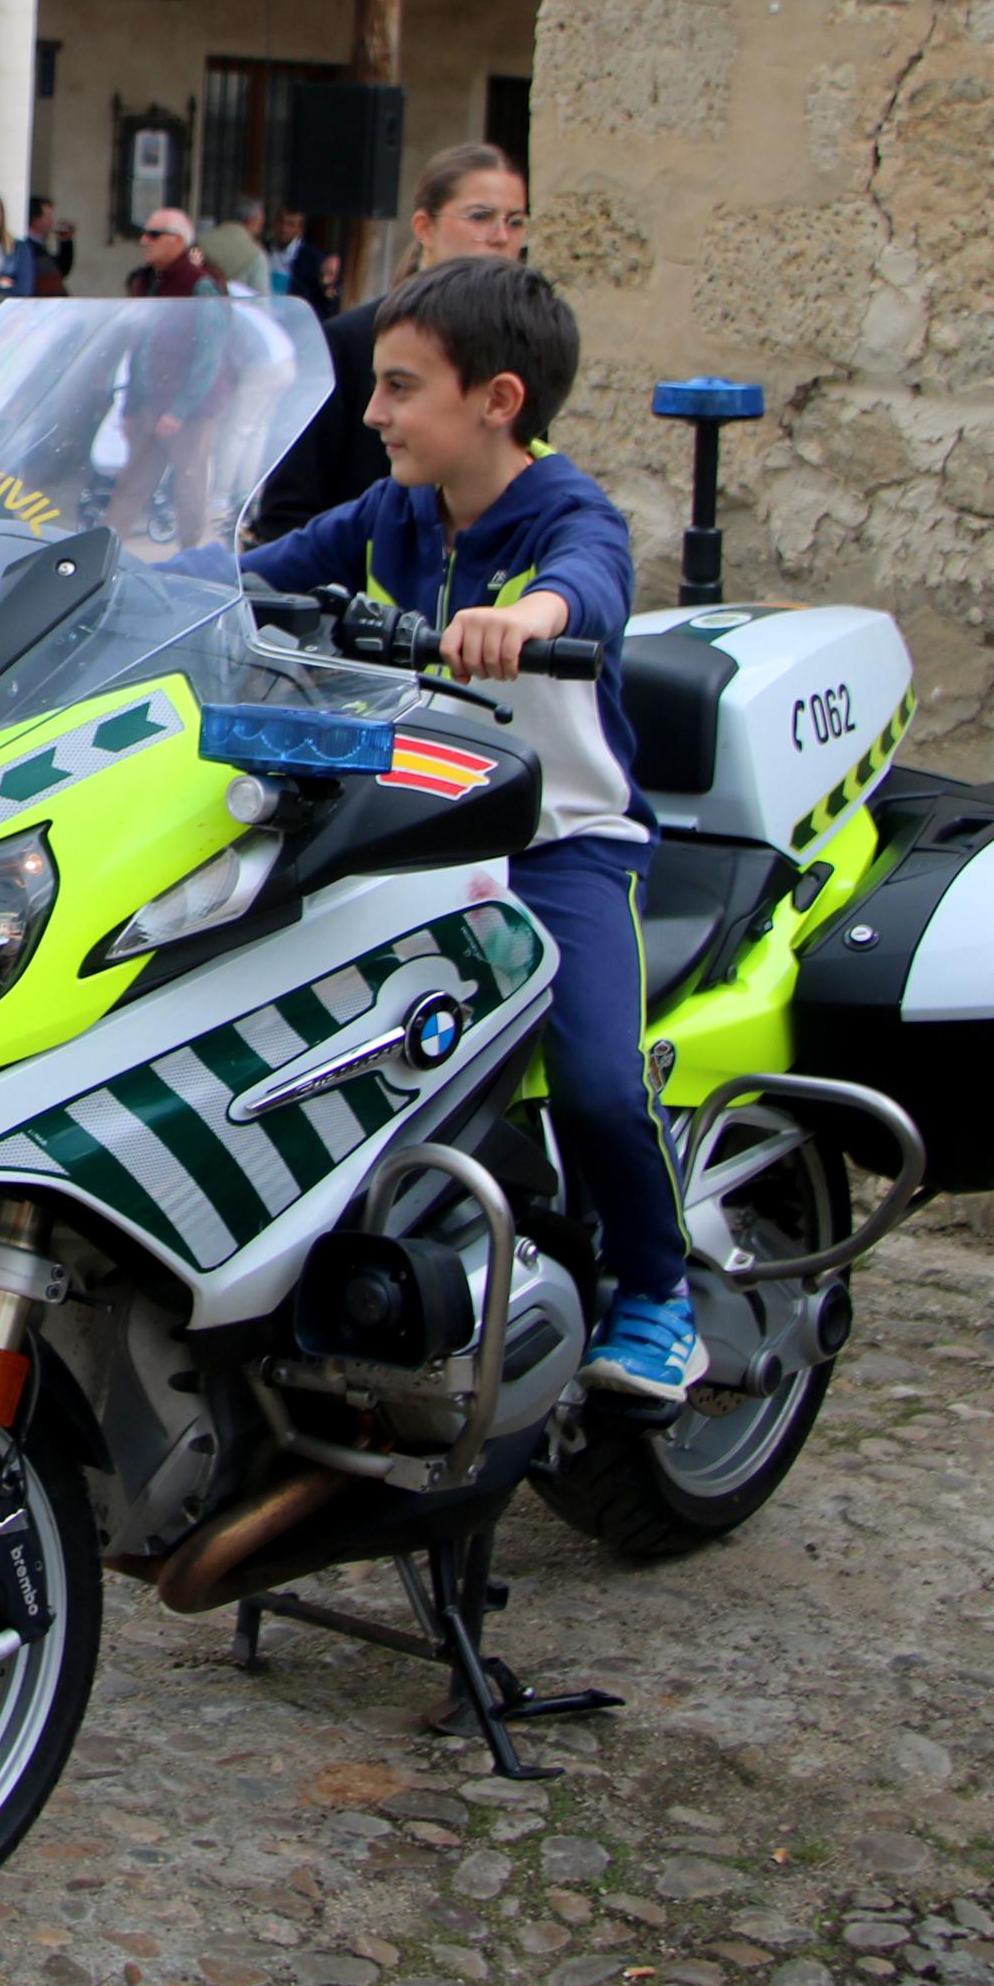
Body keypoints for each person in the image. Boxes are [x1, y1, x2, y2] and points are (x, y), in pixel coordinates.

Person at [241, 257, 691, 1404]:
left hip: (554, 843)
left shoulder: (564, 513)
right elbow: (248, 576)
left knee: (593, 1079)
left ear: (494, 401)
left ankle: (656, 1296)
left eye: (399, 389)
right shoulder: (390, 510)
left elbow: (586, 583)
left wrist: (521, 617)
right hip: (411, 836)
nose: (371, 413)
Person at [254, 142, 528, 540]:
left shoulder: (523, 345)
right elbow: (287, 511)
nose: (501, 236)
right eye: (480, 217)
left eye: (516, 221)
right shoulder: (348, 341)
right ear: (424, 228)